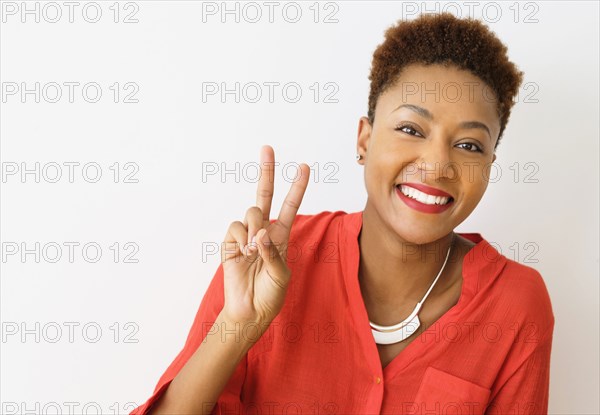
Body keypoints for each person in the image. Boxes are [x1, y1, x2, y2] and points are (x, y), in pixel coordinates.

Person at [131, 12, 554, 415]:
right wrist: (239, 325)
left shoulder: (515, 306)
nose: (437, 165)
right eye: (410, 130)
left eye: (469, 145)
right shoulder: (270, 257)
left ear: (489, 167)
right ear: (364, 141)